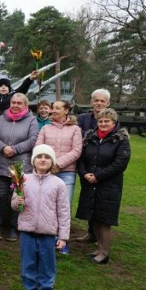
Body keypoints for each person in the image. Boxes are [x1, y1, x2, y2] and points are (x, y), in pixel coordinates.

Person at [12, 144, 70, 290]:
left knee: (46, 267)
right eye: (39, 157)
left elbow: (64, 211)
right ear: (33, 161)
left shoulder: (58, 184)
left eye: (46, 157)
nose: (43, 160)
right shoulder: (23, 180)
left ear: (51, 161)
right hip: (27, 231)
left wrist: (63, 236)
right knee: (28, 265)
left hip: (48, 233)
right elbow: (14, 204)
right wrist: (18, 202)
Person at [76, 108, 131, 265]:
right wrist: (84, 173)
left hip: (109, 185)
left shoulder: (120, 140)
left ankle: (104, 252)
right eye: (100, 121)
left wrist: (98, 176)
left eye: (107, 121)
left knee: (105, 219)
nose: (103, 123)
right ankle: (98, 248)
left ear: (114, 123)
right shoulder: (90, 137)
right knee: (94, 216)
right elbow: (81, 159)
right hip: (89, 183)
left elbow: (120, 163)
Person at [35, 100, 82, 255]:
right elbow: (38, 147)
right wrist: (48, 165)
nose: (53, 110)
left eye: (57, 108)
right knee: (47, 206)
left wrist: (58, 164)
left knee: (64, 207)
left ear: (66, 110)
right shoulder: (46, 128)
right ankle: (47, 238)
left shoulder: (75, 129)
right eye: (52, 108)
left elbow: (76, 150)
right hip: (47, 172)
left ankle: (62, 240)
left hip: (66, 172)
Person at [0, 93, 39, 242]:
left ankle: (14, 227)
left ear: (25, 105)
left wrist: (15, 149)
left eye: (19, 103)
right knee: (0, 195)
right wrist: (4, 147)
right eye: (13, 102)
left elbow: (33, 139)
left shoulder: (31, 120)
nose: (16, 105)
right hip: (2, 162)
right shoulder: (1, 118)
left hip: (20, 164)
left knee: (18, 196)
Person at [75, 88, 111, 244]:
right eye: (96, 100)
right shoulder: (82, 118)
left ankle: (100, 237)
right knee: (89, 200)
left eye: (102, 100)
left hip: (103, 166)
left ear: (108, 103)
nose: (99, 103)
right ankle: (91, 233)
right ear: (91, 102)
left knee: (101, 202)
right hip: (85, 164)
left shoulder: (111, 119)